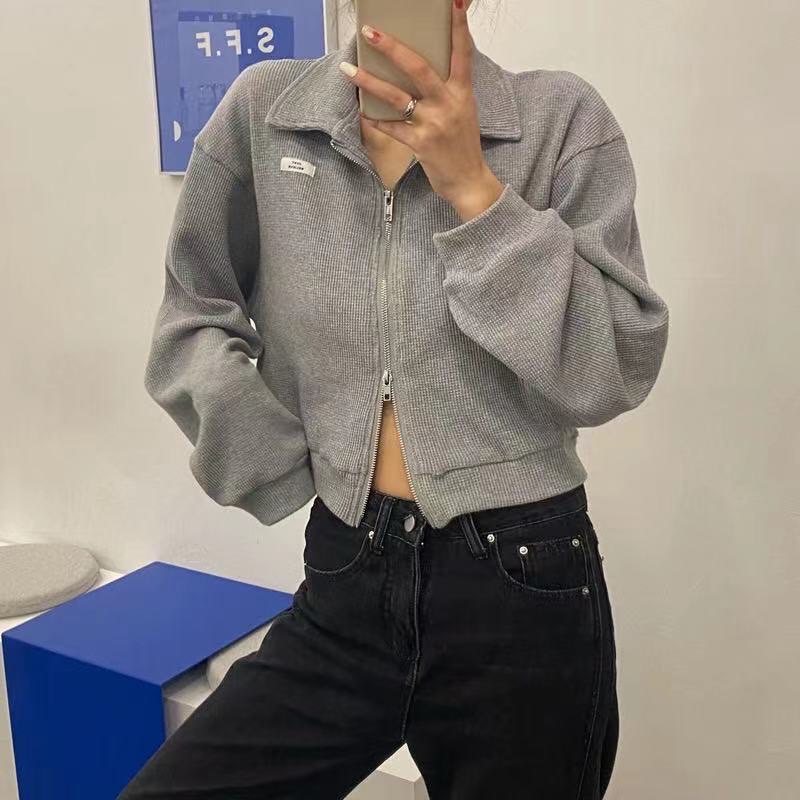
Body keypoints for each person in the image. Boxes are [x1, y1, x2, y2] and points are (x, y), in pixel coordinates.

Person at [120, 0, 669, 797]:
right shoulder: (268, 113)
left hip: (520, 584)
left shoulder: (559, 120)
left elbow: (614, 364)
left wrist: (473, 187)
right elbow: (192, 312)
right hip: (346, 574)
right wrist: (272, 459)